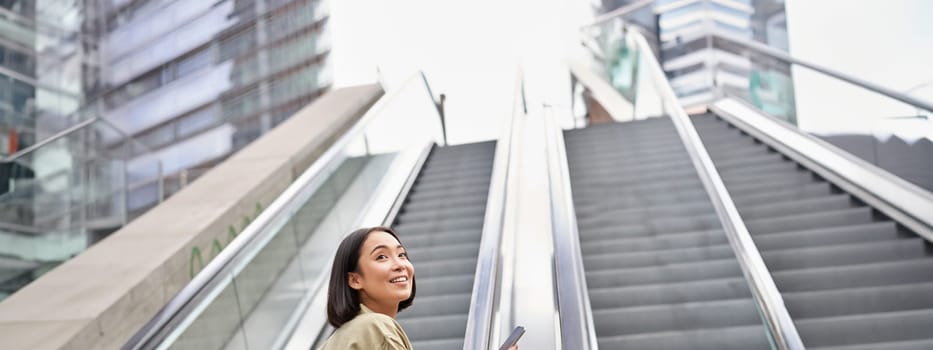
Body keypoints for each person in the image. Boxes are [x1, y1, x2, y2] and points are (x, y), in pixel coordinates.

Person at [319, 226, 519, 350]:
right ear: (354, 280)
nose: (399, 264)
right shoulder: (375, 327)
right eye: (381, 256)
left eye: (402, 255)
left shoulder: (341, 338)